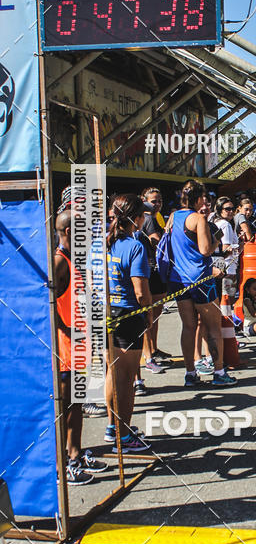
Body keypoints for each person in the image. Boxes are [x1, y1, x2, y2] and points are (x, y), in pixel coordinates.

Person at [54, 210, 108, 484]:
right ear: (68, 233)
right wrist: (66, 331)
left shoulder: (73, 260)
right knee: (66, 406)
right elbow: (47, 307)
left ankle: (75, 452)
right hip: (65, 351)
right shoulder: (58, 262)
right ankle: (63, 463)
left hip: (79, 347)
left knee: (77, 404)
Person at [168, 181, 236, 387]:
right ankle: (219, 372)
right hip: (201, 278)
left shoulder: (173, 217)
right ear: (198, 199)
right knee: (213, 326)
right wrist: (217, 239)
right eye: (203, 198)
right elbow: (206, 250)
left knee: (188, 327)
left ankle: (190, 373)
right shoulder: (197, 218)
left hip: (178, 279)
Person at [104, 194, 152, 453]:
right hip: (128, 315)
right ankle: (123, 436)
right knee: (126, 378)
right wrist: (149, 312)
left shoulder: (101, 243)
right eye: (143, 215)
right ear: (136, 219)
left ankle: (113, 428)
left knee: (112, 372)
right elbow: (142, 292)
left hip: (104, 313)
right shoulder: (135, 247)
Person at [137, 187, 171, 373]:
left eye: (159, 200)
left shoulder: (157, 217)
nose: (157, 204)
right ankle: (148, 355)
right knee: (149, 316)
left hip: (156, 270)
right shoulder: (148, 218)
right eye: (153, 201)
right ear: (144, 200)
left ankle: (154, 349)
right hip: (150, 270)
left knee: (155, 314)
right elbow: (155, 240)